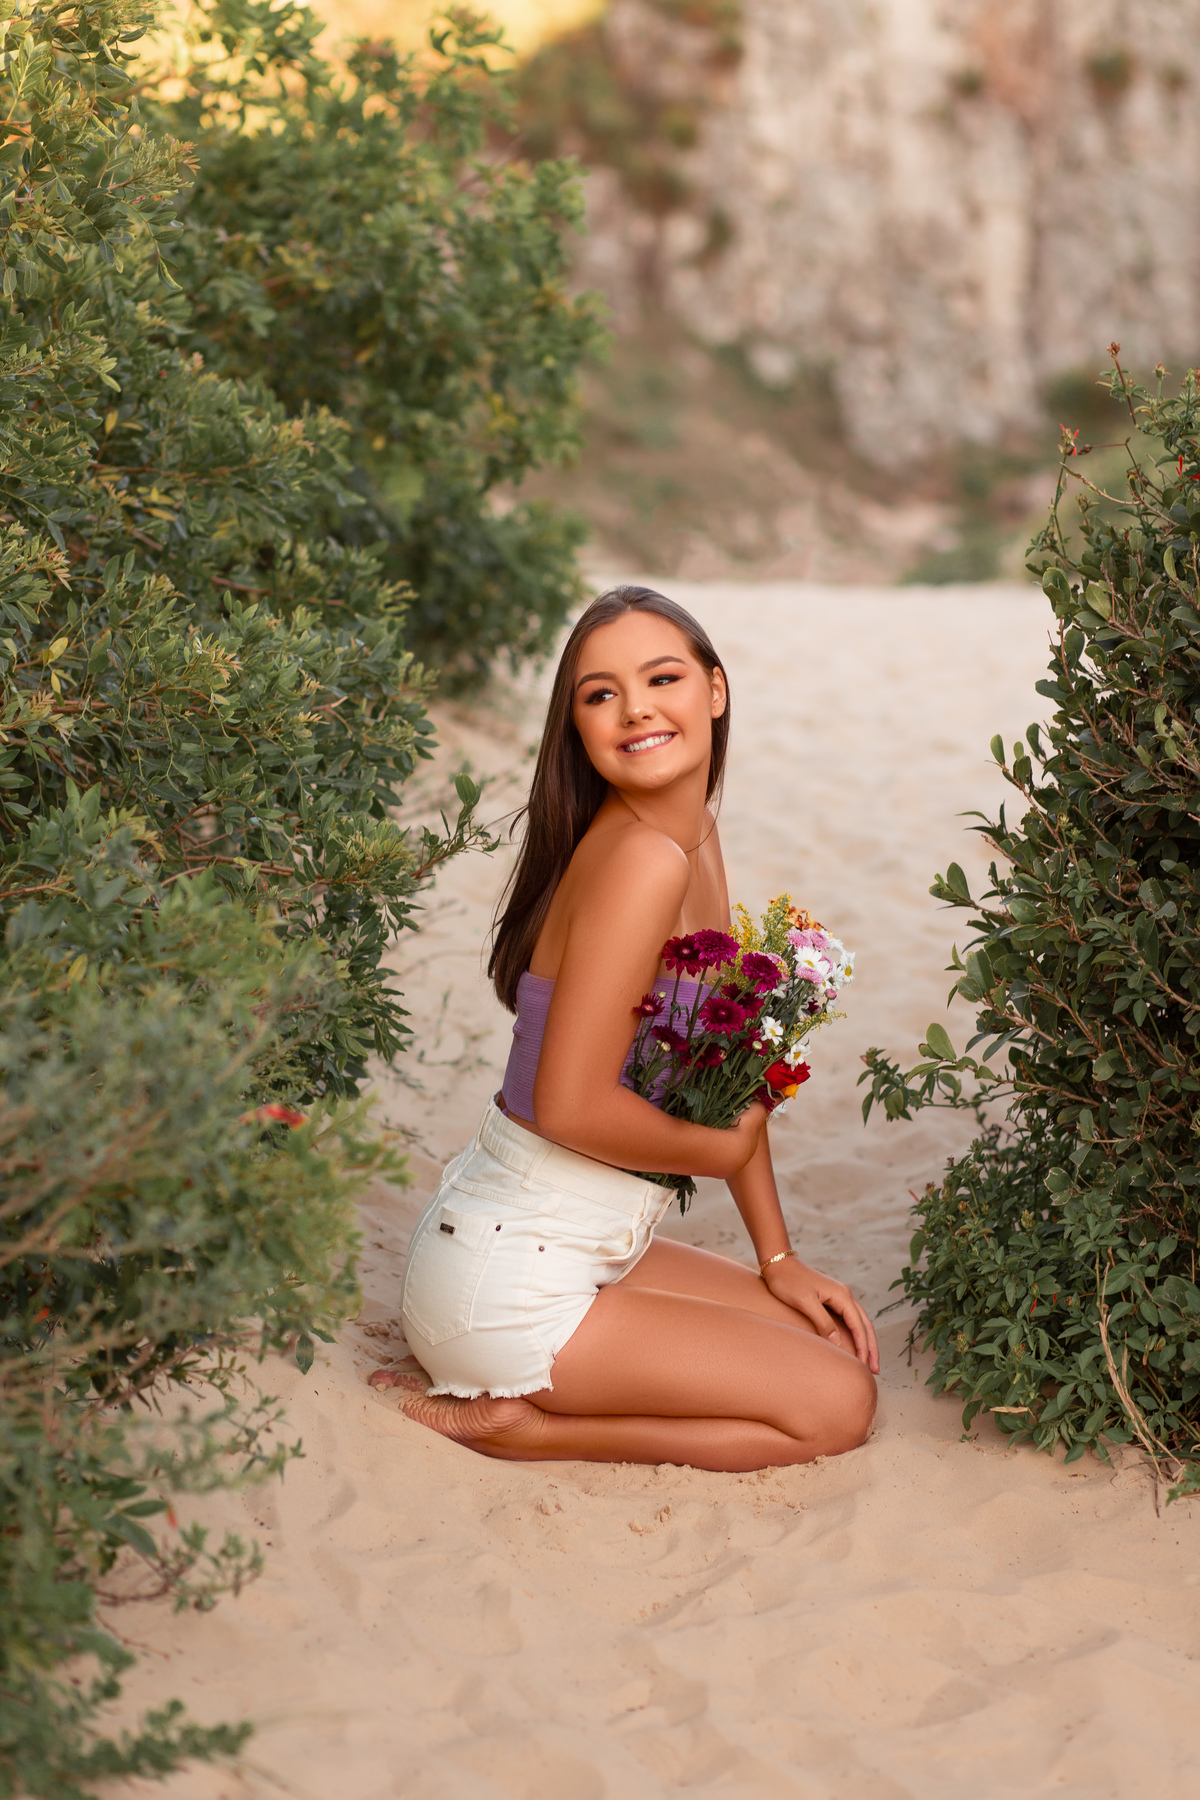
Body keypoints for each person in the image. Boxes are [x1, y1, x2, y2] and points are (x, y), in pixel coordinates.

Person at [371, 585, 878, 1470]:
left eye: (662, 677)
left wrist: (780, 1254)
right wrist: (716, 1151)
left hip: (579, 1242)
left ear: (715, 691)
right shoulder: (640, 858)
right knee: (839, 1406)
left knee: (825, 1344)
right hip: (510, 1278)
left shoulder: (689, 839)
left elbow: (727, 1069)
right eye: (600, 694)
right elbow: (568, 1109)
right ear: (578, 728)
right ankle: (515, 1425)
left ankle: (516, 1383)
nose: (635, 708)